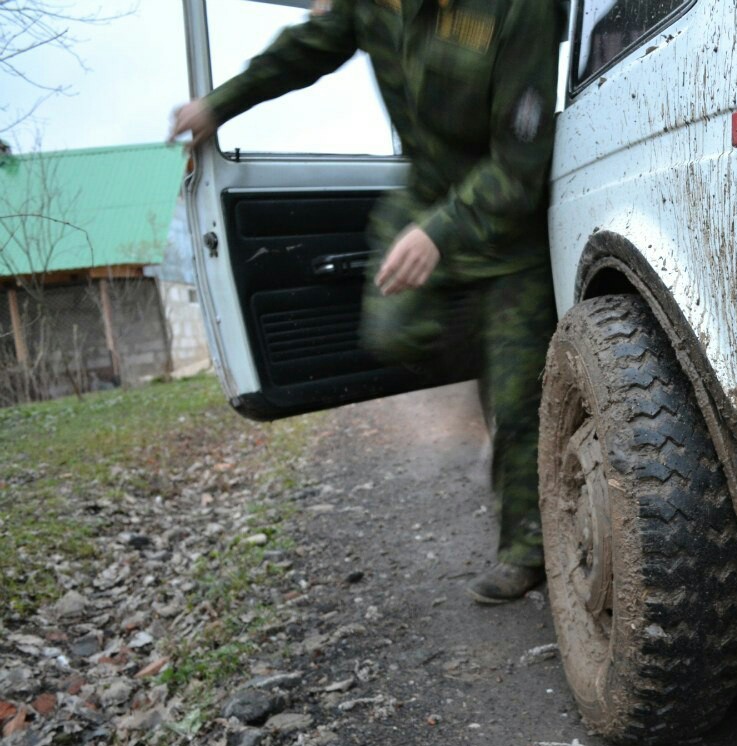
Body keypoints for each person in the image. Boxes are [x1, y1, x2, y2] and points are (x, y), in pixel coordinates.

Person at [170, 0, 561, 604]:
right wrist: (219, 104)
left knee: (516, 406)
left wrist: (441, 233)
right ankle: (497, 364)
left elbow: (519, 164)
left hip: (507, 233)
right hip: (424, 209)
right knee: (390, 333)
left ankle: (525, 550)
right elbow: (306, 49)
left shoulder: (518, 11)